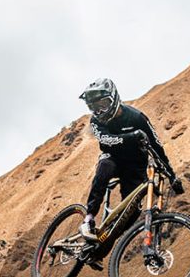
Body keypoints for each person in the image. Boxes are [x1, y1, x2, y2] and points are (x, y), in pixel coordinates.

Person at [77, 78, 184, 243]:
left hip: (135, 167)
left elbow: (156, 147)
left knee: (132, 212)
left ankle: (104, 244)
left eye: (103, 104)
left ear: (114, 97)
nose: (99, 111)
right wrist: (132, 136)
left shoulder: (137, 118)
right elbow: (107, 140)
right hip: (113, 159)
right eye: (94, 107)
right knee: (105, 165)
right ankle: (89, 219)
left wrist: (172, 176)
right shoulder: (95, 121)